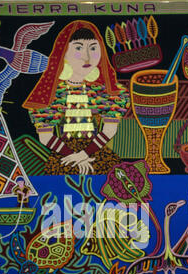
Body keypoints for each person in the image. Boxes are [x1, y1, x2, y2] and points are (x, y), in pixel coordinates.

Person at [22, 20, 130, 175]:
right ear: (63, 53)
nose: (87, 58)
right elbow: (45, 136)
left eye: (93, 48)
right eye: (78, 48)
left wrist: (84, 155)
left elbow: (110, 130)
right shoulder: (51, 92)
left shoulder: (105, 92)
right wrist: (73, 157)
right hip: (63, 155)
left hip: (98, 153)